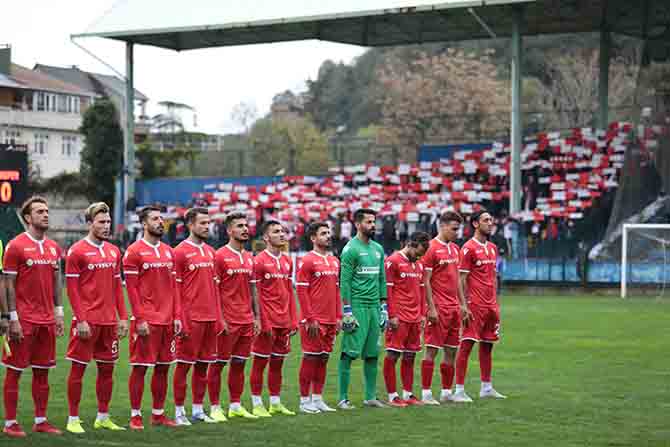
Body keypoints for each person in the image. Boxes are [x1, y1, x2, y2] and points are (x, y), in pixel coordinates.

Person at [1, 196, 65, 437]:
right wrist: (12, 318)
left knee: (42, 372)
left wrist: (58, 313)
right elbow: (7, 284)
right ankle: (10, 423)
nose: (45, 215)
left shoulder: (53, 247)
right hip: (23, 320)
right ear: (28, 218)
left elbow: (56, 281)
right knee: (15, 371)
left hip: (47, 320)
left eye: (47, 211)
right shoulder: (15, 246)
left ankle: (41, 420)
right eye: (40, 211)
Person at [64, 202, 129, 434]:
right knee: (78, 370)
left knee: (107, 370)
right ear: (90, 224)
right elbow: (71, 290)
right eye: (101, 222)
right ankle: (73, 418)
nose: (106, 226)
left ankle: (103, 416)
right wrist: (80, 320)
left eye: (108, 222)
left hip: (109, 322)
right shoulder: (76, 251)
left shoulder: (114, 251)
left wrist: (123, 317)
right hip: (87, 322)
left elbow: (116, 287)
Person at [123, 205, 183, 430]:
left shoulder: (169, 251)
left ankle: (158, 414)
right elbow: (132, 289)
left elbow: (174, 288)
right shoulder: (134, 251)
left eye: (162, 219)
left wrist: (176, 315)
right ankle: (135, 415)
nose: (160, 222)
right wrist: (139, 319)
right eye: (155, 219)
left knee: (163, 367)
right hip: (147, 320)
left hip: (167, 320)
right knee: (140, 367)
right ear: (144, 224)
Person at [172, 208, 223, 426]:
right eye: (202, 223)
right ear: (190, 225)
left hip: (210, 318)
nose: (206, 226)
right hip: (190, 318)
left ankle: (198, 409)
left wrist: (219, 317)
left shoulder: (212, 252)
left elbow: (215, 288)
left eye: (208, 222)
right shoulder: (180, 252)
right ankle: (178, 411)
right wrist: (180, 318)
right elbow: (175, 289)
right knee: (183, 365)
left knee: (203, 366)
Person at [209, 212, 261, 421]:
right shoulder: (219, 256)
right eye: (239, 226)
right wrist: (220, 318)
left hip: (246, 319)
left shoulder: (249, 257)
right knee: (219, 364)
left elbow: (253, 289)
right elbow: (213, 290)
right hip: (227, 320)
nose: (245, 229)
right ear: (229, 230)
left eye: (246, 225)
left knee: (239, 363)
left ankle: (235, 405)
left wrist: (257, 316)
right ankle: (214, 407)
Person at [453, 210, 506, 402]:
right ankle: (458, 390)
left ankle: (486, 387)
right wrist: (463, 304)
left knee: (488, 344)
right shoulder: (468, 248)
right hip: (474, 305)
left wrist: (495, 300)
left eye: (491, 219)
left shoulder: (492, 247)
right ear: (475, 224)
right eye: (486, 220)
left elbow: (493, 276)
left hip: (491, 304)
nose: (490, 223)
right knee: (467, 344)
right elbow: (461, 279)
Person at [338, 208, 387, 410]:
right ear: (358, 225)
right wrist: (347, 311)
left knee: (373, 353)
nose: (372, 225)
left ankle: (370, 397)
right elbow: (345, 282)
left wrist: (384, 307)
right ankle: (342, 398)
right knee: (349, 353)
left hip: (374, 307)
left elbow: (382, 278)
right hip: (357, 307)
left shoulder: (378, 249)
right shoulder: (351, 249)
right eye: (368, 222)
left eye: (373, 221)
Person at [249, 221, 297, 417]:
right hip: (267, 322)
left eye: (283, 231)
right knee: (260, 363)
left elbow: (288, 291)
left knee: (278, 363)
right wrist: (261, 320)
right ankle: (257, 403)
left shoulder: (287, 260)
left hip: (284, 320)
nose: (282, 234)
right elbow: (255, 293)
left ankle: (275, 402)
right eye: (276, 232)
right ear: (266, 238)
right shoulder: (259, 261)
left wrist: (293, 319)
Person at [420, 211, 469, 404]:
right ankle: (426, 393)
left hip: (454, 308)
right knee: (431, 349)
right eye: (454, 229)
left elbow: (457, 280)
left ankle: (446, 392)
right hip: (438, 308)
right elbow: (426, 281)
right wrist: (431, 308)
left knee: (451, 350)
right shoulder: (431, 248)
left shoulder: (455, 249)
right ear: (442, 226)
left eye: (459, 229)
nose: (457, 232)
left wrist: (463, 304)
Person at [296, 222, 342, 414]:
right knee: (310, 358)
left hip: (331, 320)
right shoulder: (307, 260)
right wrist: (309, 318)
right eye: (323, 233)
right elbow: (301, 290)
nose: (328, 236)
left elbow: (337, 290)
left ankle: (318, 398)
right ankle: (304, 401)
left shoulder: (334, 261)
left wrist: (339, 316)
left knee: (323, 359)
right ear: (313, 238)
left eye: (329, 233)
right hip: (314, 320)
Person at [383, 231, 431, 407]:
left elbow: (421, 291)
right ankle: (392, 395)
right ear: (411, 244)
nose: (420, 256)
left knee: (410, 356)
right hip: (399, 318)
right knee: (393, 354)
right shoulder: (393, 261)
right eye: (419, 252)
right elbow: (387, 291)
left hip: (414, 318)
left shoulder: (419, 264)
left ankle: (408, 393)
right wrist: (392, 315)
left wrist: (422, 314)